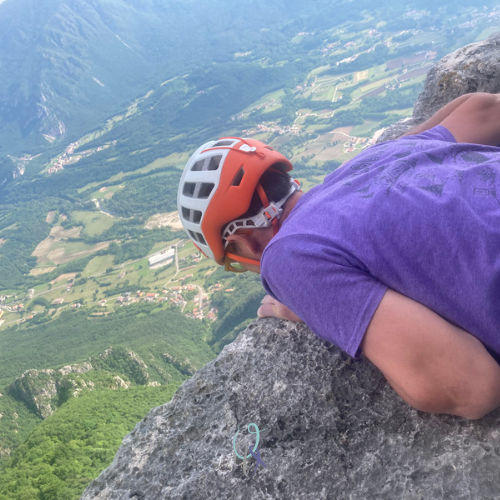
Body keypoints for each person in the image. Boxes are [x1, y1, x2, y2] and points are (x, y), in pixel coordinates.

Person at [177, 92, 500, 420]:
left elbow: (470, 388)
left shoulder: (286, 257)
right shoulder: (381, 155)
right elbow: (486, 108)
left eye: (232, 261)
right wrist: (401, 147)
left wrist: (322, 307)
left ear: (244, 244)